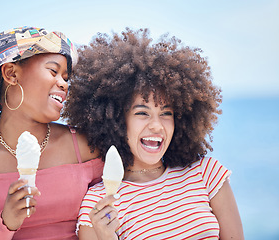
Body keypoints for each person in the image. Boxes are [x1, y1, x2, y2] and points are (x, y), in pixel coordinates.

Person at [63, 28, 244, 239]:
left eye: (166, 113)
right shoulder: (99, 203)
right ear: (116, 120)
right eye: (142, 112)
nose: (157, 125)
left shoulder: (206, 173)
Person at [0, 26, 104, 239]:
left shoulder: (84, 145)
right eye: (53, 71)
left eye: (66, 77)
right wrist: (6, 224)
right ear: (11, 74)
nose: (63, 84)